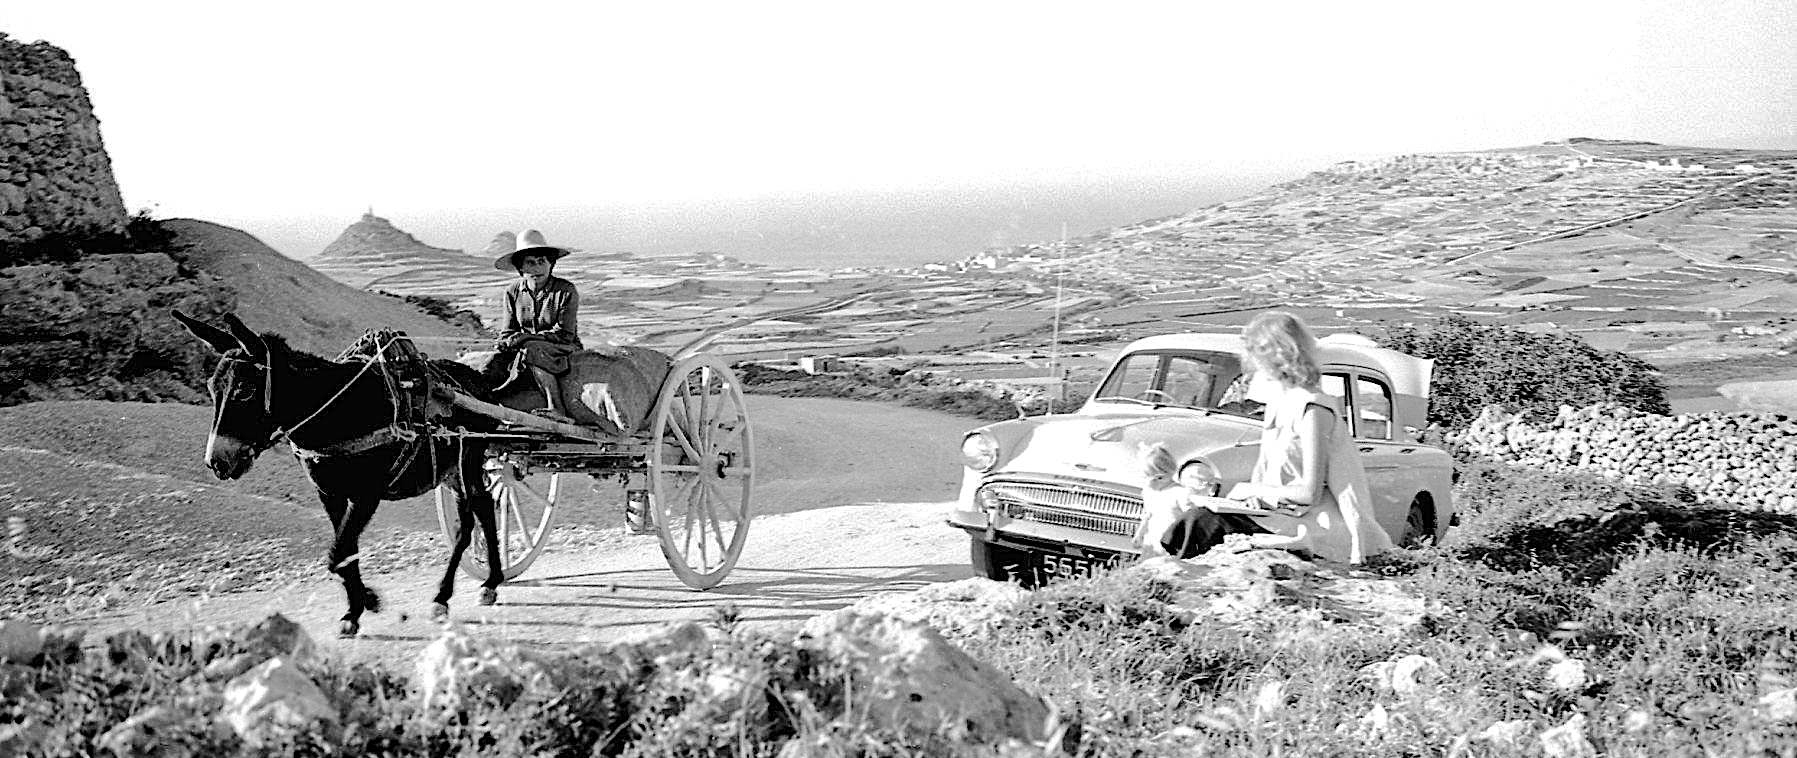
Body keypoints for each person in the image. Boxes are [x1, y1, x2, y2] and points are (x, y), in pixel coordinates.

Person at [1133, 311, 1393, 564]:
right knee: (1189, 524)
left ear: (1277, 356)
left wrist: (1250, 490)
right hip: (1277, 514)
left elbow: (1309, 493)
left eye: (1257, 356)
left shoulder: (1313, 409)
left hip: (1310, 523)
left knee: (1199, 524)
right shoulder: (1281, 403)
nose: (1254, 365)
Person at [493, 230, 582, 421]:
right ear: (520, 267)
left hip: (562, 347)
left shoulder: (566, 291)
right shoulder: (512, 292)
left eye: (542, 261)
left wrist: (526, 338)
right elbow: (508, 330)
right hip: (524, 347)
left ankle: (556, 408)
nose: (536, 268)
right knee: (492, 363)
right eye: (530, 263)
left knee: (532, 349)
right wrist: (505, 342)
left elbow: (565, 334)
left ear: (551, 264)